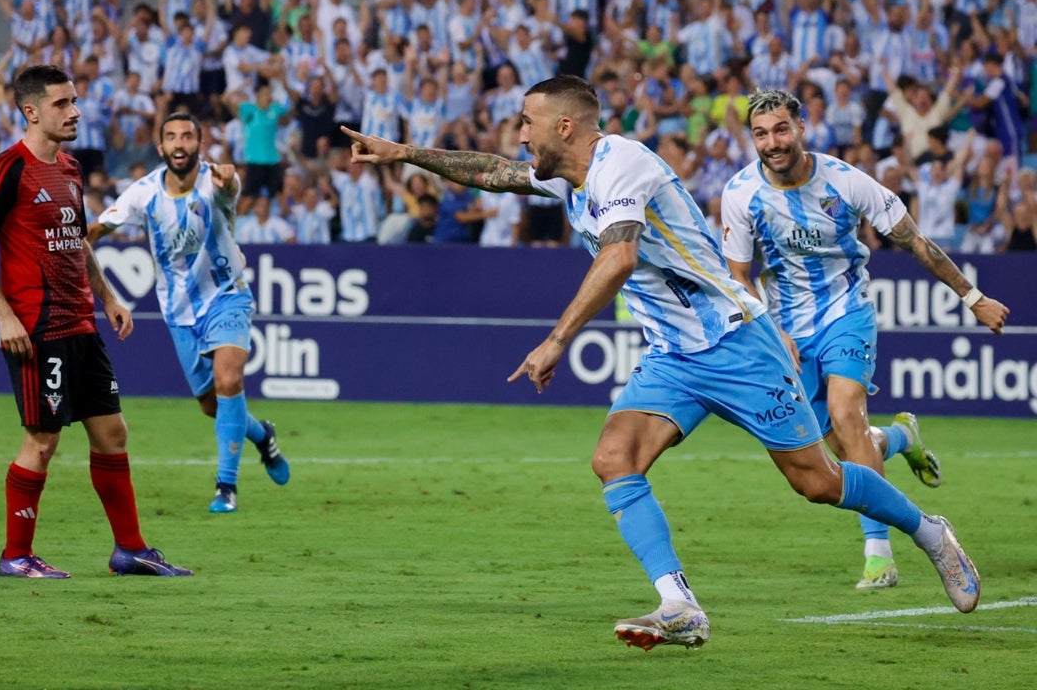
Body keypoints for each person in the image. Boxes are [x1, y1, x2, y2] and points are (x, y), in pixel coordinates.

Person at [342, 75, 983, 652]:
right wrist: (405, 154)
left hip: (735, 342)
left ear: (565, 125)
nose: (520, 133)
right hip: (675, 355)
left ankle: (929, 533)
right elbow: (494, 172)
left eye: (527, 121)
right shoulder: (570, 174)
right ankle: (680, 604)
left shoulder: (622, 164)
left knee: (819, 482)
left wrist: (557, 340)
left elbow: (618, 259)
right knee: (613, 458)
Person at [721, 89, 1010, 590]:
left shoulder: (847, 182)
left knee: (845, 413)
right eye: (761, 134)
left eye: (781, 129)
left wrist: (973, 297)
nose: (772, 142)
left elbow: (916, 241)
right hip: (786, 328)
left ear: (803, 127)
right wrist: (772, 330)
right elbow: (738, 275)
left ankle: (879, 554)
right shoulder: (740, 193)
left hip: (845, 312)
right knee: (832, 451)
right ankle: (899, 438)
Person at [0, 64, 191, 578]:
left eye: (75, 101)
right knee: (42, 441)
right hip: (37, 328)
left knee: (112, 432)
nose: (75, 111)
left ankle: (130, 549)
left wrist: (107, 297)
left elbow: (78, 237)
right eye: (62, 104)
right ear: (31, 111)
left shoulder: (69, 168)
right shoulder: (7, 169)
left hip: (81, 324)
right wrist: (4, 315)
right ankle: (15, 556)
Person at [86, 111, 290, 514]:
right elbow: (96, 230)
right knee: (213, 406)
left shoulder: (215, 181)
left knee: (229, 378)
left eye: (188, 136)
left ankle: (226, 486)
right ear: (160, 147)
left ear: (200, 144)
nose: (180, 144)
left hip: (228, 295)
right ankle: (261, 434)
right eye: (172, 137)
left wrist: (229, 180)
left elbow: (229, 187)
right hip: (179, 312)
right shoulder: (142, 193)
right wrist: (67, 236)